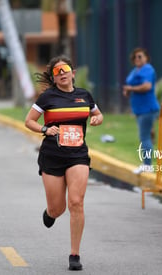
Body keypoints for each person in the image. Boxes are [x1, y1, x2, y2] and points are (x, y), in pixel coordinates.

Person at [24, 55, 103, 271]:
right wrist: (44, 129)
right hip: (52, 155)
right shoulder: (47, 97)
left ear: (73, 73)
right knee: (58, 208)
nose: (62, 74)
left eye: (65, 69)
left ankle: (74, 255)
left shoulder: (84, 95)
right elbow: (29, 120)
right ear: (54, 78)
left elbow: (97, 113)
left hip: (77, 154)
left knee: (76, 202)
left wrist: (97, 118)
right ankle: (50, 213)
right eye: (57, 72)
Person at [123, 47, 160, 174]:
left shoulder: (148, 69)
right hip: (139, 109)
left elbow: (147, 86)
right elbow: (130, 86)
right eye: (135, 57)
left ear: (146, 58)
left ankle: (147, 165)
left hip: (147, 108)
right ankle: (147, 163)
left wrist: (131, 88)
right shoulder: (135, 70)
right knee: (146, 135)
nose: (137, 59)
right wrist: (128, 90)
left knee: (144, 137)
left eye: (140, 56)